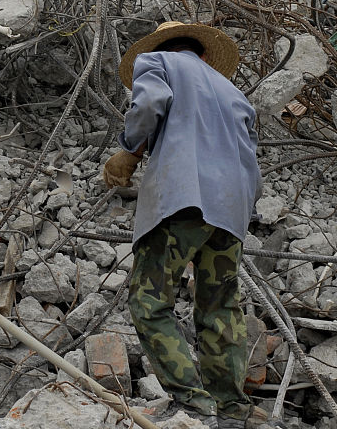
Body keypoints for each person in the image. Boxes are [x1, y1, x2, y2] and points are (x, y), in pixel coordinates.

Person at [106, 22, 266, 429]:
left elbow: (149, 104)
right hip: (232, 211)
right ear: (205, 55)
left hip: (183, 199)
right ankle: (231, 406)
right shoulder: (233, 92)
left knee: (149, 301)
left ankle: (192, 402)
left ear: (166, 47)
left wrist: (128, 151)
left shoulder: (155, 61)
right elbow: (253, 161)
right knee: (220, 305)